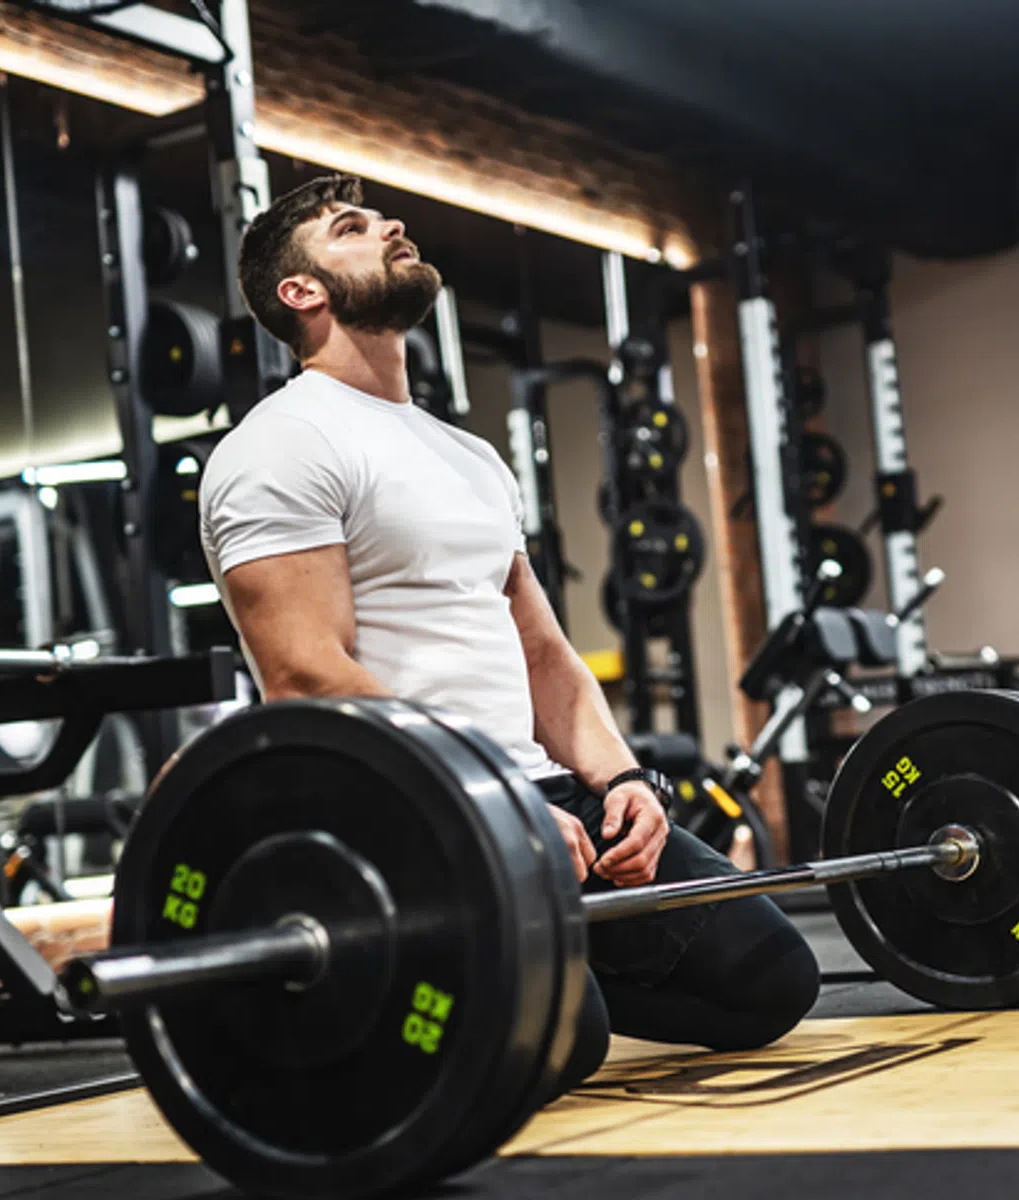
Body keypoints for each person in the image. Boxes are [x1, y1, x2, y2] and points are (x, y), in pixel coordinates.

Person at [199, 174, 819, 1093]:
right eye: (353, 227)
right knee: (567, 1049)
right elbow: (305, 677)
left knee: (771, 983)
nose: (391, 227)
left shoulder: (468, 455)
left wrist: (622, 782)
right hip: (418, 812)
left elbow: (542, 651)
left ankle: (519, 971)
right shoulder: (280, 446)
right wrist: (493, 798)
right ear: (302, 292)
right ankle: (422, 983)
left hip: (539, 797)